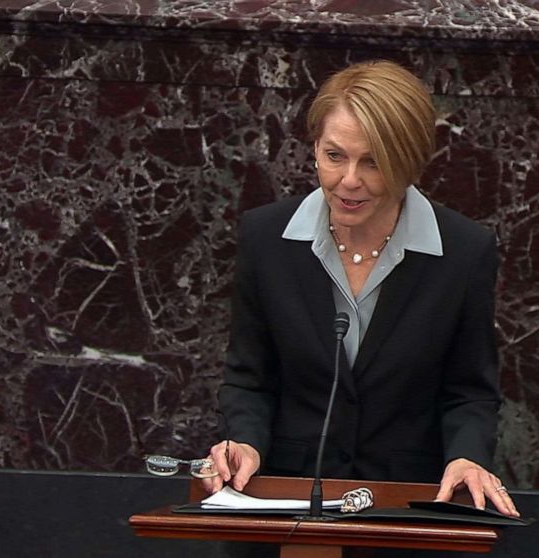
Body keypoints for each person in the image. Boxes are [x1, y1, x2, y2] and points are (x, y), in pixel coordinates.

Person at [202, 59, 519, 518]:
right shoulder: (266, 237)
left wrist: (467, 456)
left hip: (408, 507)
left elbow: (470, 389)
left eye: (372, 162)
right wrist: (245, 442)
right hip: (286, 503)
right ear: (314, 149)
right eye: (335, 156)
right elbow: (249, 378)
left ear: (409, 162)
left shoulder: (464, 251)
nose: (349, 180)